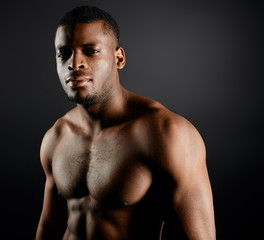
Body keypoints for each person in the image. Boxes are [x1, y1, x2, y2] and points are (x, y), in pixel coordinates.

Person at [36, 6, 216, 240]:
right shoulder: (57, 136)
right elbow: (50, 225)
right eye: (64, 53)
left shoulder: (167, 133)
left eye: (90, 51)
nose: (75, 63)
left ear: (118, 58)